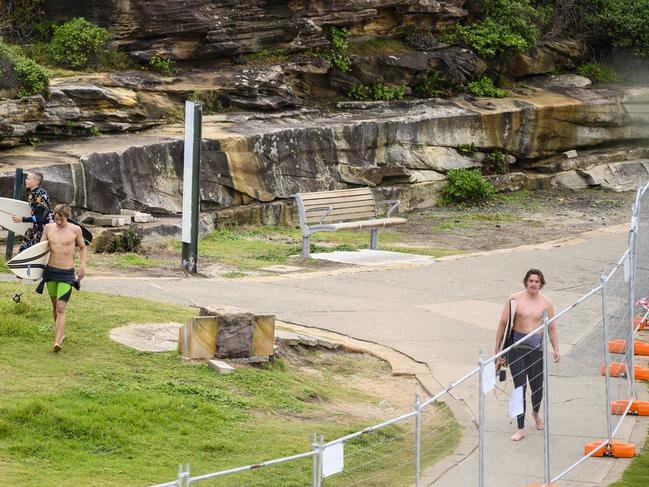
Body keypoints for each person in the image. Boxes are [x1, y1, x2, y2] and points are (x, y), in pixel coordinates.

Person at [494, 268, 560, 442]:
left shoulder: (547, 303)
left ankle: (535, 412)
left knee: (538, 388)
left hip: (536, 350)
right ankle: (520, 427)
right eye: (531, 281)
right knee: (519, 387)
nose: (533, 284)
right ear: (526, 282)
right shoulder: (514, 300)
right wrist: (498, 349)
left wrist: (556, 348)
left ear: (541, 284)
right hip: (517, 349)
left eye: (537, 281)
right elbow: (502, 324)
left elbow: (551, 327)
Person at [36, 204, 87, 353]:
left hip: (66, 273)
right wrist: (34, 271)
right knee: (54, 306)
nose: (59, 222)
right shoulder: (48, 228)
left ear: (67, 217)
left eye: (62, 219)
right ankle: (61, 332)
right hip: (50, 272)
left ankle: (57, 340)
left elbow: (83, 247)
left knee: (60, 308)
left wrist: (82, 266)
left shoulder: (75, 230)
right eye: (56, 219)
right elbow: (40, 250)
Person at [11, 172, 53, 252]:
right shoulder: (34, 193)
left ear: (35, 182)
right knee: (23, 250)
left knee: (27, 252)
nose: (26, 180)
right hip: (37, 229)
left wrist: (22, 219)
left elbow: (41, 217)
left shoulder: (38, 194)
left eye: (28, 179)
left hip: (43, 231)